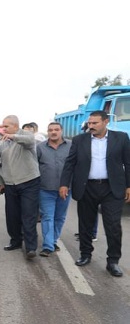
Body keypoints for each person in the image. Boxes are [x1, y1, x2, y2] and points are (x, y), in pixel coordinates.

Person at [59, 110, 130, 277]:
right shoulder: (79, 140)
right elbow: (70, 163)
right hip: (87, 187)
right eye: (89, 123)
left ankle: (113, 261)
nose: (90, 126)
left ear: (105, 122)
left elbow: (128, 162)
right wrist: (64, 184)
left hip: (111, 188)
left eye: (94, 123)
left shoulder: (121, 138)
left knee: (113, 226)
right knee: (86, 224)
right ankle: (85, 254)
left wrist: (129, 186)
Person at [0, 115, 41, 259]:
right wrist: (1, 182)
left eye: (6, 126)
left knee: (28, 215)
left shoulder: (25, 135)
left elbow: (30, 141)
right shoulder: (2, 142)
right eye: (3, 127)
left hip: (28, 181)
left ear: (15, 126)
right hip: (10, 184)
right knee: (12, 215)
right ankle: (15, 241)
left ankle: (30, 248)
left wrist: (13, 136)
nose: (4, 129)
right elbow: (1, 163)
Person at [36, 122, 71, 256]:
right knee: (47, 216)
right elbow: (35, 166)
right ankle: (48, 246)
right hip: (45, 188)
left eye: (56, 130)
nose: (53, 132)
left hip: (66, 189)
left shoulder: (71, 146)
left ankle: (53, 240)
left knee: (60, 217)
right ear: (47, 132)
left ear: (61, 131)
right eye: (50, 130)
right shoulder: (40, 147)